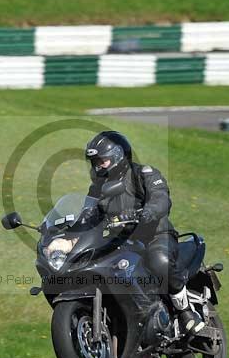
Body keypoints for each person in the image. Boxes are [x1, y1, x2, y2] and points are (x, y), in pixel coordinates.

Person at [85, 131, 205, 335]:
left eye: (101, 160)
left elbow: (160, 199)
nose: (97, 166)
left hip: (155, 236)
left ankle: (185, 312)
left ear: (117, 156)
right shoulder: (97, 188)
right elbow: (87, 214)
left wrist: (147, 212)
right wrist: (66, 227)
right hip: (121, 243)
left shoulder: (144, 174)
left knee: (159, 260)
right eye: (94, 162)